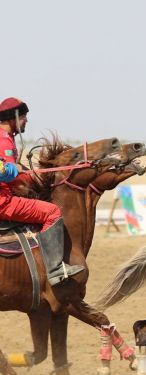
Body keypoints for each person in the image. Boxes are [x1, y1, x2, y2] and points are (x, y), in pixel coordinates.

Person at [0, 97, 84, 285]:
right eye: (23, 116)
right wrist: (17, 171)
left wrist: (29, 175)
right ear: (12, 117)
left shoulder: (7, 139)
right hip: (3, 202)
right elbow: (3, 172)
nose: (26, 120)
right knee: (52, 212)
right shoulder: (3, 141)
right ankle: (54, 269)